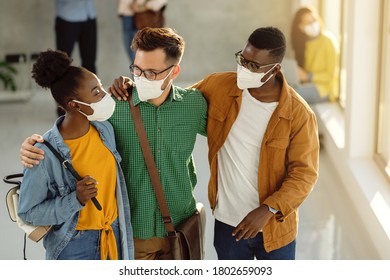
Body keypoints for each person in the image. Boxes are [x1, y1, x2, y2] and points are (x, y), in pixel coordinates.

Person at [108, 26, 319, 260]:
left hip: (275, 229)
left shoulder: (298, 114)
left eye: (253, 66)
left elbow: (304, 174)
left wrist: (268, 209)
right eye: (242, 59)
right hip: (229, 225)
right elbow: (171, 102)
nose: (243, 69)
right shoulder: (220, 86)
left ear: (275, 69)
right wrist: (132, 85)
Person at [19, 28, 208, 260]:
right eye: (136, 69)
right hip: (132, 236)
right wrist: (32, 146)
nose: (141, 77)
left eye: (151, 72)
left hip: (182, 229)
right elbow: (68, 128)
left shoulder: (194, 105)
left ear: (174, 71)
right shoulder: (114, 110)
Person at [17, 49, 134, 260]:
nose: (104, 95)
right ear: (73, 104)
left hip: (115, 234)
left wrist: (128, 86)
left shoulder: (105, 130)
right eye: (96, 92)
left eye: (100, 86)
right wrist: (75, 199)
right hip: (76, 246)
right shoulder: (43, 153)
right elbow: (28, 212)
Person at [55, 0, 98, 116]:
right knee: (62, 65)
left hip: (90, 16)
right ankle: (63, 107)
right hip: (68, 17)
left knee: (90, 62)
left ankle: (92, 104)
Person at [291, 6, 340, 103]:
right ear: (301, 27)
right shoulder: (304, 44)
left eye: (314, 20)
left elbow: (330, 76)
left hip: (325, 90)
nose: (313, 24)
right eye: (308, 23)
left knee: (290, 96)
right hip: (308, 85)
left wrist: (308, 76)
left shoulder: (328, 41)